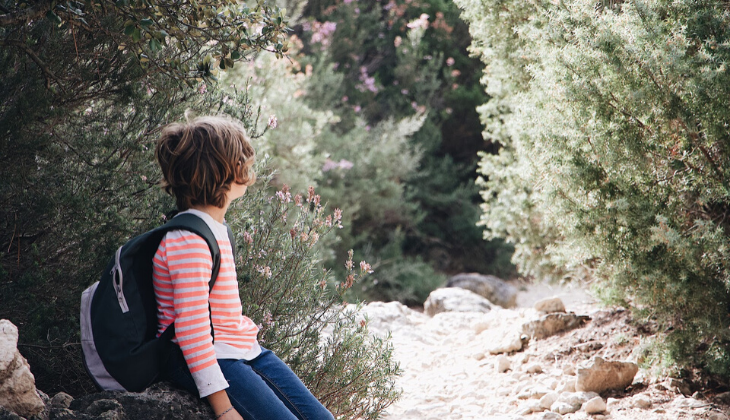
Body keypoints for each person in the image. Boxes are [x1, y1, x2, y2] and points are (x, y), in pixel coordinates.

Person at [152, 115, 334, 420]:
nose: (249, 167)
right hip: (215, 359)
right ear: (222, 171)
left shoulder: (214, 228)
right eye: (243, 160)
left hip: (242, 349)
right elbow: (191, 332)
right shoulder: (188, 241)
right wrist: (223, 409)